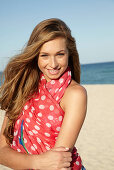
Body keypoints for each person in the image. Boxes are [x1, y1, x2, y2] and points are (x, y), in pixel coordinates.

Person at [0, 18, 87, 169]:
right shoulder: (22, 89)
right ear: (35, 55)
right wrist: (37, 162)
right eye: (44, 55)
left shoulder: (75, 94)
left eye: (60, 54)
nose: (53, 64)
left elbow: (58, 163)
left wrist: (27, 161)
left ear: (69, 54)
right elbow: (1, 151)